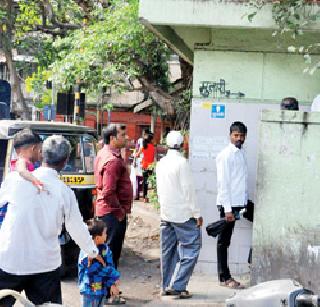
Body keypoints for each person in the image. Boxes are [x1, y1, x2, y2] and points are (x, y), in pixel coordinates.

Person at [0, 135, 102, 306]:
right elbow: (76, 228)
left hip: (11, 260)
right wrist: (93, 252)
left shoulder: (14, 180)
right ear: (65, 161)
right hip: (45, 265)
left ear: (41, 154)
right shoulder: (64, 192)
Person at [156, 130, 202, 299]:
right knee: (192, 248)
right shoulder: (182, 163)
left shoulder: (161, 163)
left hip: (166, 214)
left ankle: (165, 285)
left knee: (167, 251)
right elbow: (188, 191)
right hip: (183, 215)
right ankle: (178, 285)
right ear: (182, 145)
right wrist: (197, 214)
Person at [94, 124, 133, 268]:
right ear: (112, 138)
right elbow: (108, 191)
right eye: (122, 135)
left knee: (106, 252)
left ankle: (107, 286)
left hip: (107, 211)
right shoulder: (112, 160)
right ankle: (108, 287)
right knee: (111, 253)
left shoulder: (103, 153)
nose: (126, 137)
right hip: (112, 213)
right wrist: (119, 212)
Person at [216, 121, 248, 289]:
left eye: (242, 136)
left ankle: (226, 275)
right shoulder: (225, 155)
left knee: (225, 240)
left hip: (238, 204)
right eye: (236, 135)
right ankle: (224, 277)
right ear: (230, 136)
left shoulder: (241, 153)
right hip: (228, 205)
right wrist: (228, 209)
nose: (239, 138)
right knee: (223, 241)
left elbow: (240, 181)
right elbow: (223, 184)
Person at [0, 129, 44, 229]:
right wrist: (35, 180)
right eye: (39, 150)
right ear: (33, 149)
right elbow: (22, 171)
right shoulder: (21, 161)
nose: (41, 154)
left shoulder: (33, 164)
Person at [79, 218, 124, 307]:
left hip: (101, 290)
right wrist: (114, 277)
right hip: (90, 292)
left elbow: (110, 264)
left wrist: (112, 283)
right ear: (97, 238)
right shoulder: (86, 251)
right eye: (105, 233)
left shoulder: (104, 249)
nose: (106, 235)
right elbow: (96, 269)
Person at [136, 132, 155, 202]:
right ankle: (154, 197)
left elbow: (137, 155)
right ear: (151, 140)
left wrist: (139, 155)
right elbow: (153, 157)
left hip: (144, 166)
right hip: (151, 166)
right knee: (152, 182)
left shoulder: (143, 147)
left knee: (145, 182)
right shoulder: (152, 147)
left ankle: (145, 198)